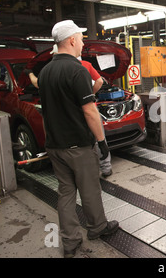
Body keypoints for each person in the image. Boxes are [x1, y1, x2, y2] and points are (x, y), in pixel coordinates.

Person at [37, 20, 118, 258]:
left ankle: (70, 242)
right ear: (72, 40)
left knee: (65, 192)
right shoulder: (77, 70)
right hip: (79, 146)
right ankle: (97, 227)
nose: (82, 42)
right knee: (90, 189)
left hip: (55, 145)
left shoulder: (45, 72)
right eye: (81, 38)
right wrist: (102, 142)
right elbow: (90, 110)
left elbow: (47, 110)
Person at [24, 56, 112, 177]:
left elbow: (37, 83)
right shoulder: (85, 65)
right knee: (97, 137)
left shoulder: (50, 70)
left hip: (68, 115)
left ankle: (81, 170)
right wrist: (90, 94)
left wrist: (29, 73)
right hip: (89, 107)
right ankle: (105, 167)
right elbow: (100, 81)